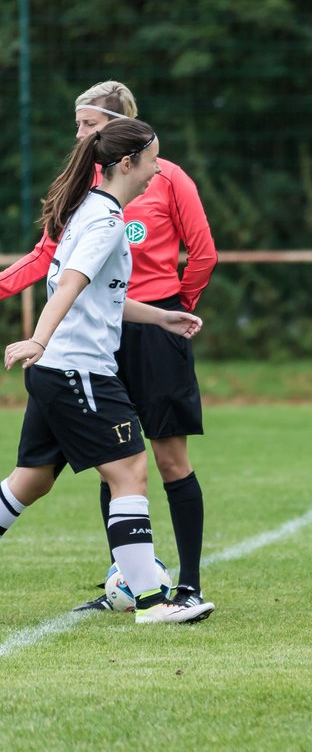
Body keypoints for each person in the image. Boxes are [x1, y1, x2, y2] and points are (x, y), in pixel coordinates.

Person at [0, 80, 217, 611]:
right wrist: (37, 338)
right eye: (151, 162)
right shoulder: (100, 215)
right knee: (126, 468)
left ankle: (173, 586)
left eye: (87, 123)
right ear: (127, 160)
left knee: (30, 481)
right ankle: (151, 598)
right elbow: (70, 281)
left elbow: (111, 292)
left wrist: (166, 315)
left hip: (86, 353)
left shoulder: (103, 205)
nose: (156, 171)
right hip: (77, 361)